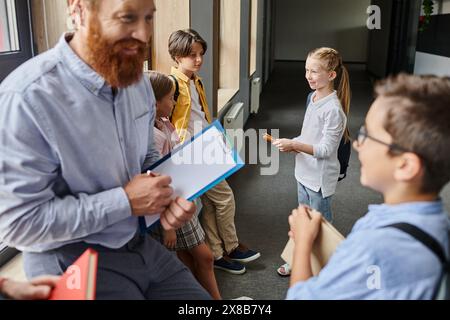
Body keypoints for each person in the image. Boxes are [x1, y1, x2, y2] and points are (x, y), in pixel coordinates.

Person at [0, 0, 210, 300]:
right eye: (127, 18)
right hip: (71, 260)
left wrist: (169, 193)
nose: (142, 34)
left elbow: (147, 157)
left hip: (138, 243)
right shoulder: (26, 99)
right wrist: (123, 202)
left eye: (148, 18)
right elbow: (19, 225)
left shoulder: (136, 80)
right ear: (78, 10)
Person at [287, 74, 450, 299]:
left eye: (368, 136)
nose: (357, 144)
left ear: (406, 166)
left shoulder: (376, 244)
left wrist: (303, 243)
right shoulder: (438, 222)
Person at [168, 29, 260, 275]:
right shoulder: (173, 84)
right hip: (192, 153)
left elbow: (201, 116)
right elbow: (170, 121)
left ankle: (218, 253)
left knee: (210, 204)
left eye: (200, 54)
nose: (198, 60)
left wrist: (214, 139)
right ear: (177, 56)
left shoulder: (195, 81)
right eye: (191, 55)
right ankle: (231, 245)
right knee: (225, 198)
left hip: (206, 147)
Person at [273, 47, 350, 276]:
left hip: (319, 179)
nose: (308, 75)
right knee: (304, 220)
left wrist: (295, 145)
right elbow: (308, 136)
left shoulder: (334, 110)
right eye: (306, 70)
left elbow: (326, 149)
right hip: (303, 172)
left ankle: (326, 269)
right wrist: (293, 142)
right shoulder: (312, 97)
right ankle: (298, 259)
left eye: (314, 71)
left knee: (321, 226)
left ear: (332, 75)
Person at [147, 71, 221, 300]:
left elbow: (177, 158)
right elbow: (155, 180)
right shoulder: (150, 136)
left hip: (181, 197)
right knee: (195, 257)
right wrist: (167, 226)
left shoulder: (165, 123)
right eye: (170, 98)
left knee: (198, 257)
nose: (174, 102)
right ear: (154, 102)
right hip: (167, 209)